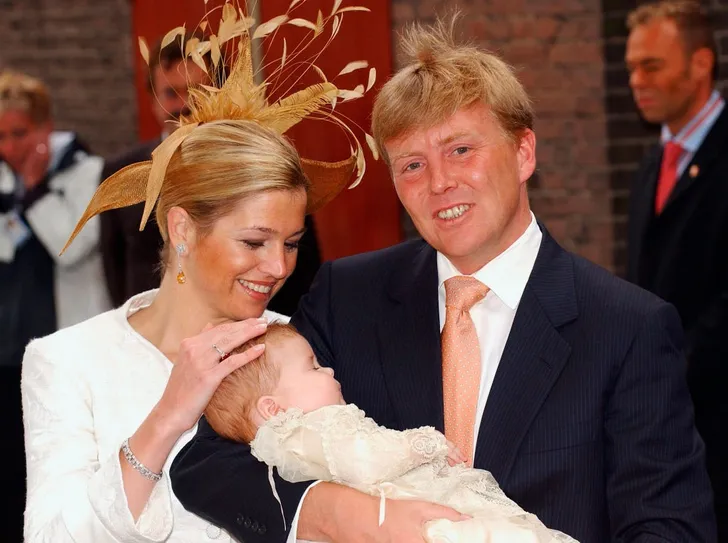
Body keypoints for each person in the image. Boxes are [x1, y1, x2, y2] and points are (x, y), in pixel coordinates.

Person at [170, 15, 718, 543]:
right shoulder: (348, 297)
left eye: (461, 150)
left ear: (523, 152)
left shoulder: (627, 328)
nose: (439, 183)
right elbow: (208, 461)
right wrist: (338, 515)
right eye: (412, 165)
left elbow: (670, 526)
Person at [21, 4, 372, 541]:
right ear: (182, 229)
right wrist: (168, 414)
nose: (278, 267)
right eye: (253, 241)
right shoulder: (69, 362)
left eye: (291, 244)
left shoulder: (302, 346)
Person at [204, 322, 578, 543]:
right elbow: (363, 459)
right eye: (313, 367)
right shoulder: (310, 431)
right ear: (273, 409)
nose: (329, 371)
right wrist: (422, 443)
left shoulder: (296, 440)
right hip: (416, 522)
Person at [101, 32, 324, 315]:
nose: (185, 104)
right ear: (152, 99)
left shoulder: (263, 166)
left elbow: (304, 273)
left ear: (221, 92)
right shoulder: (122, 174)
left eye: (198, 91)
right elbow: (114, 271)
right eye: (171, 93)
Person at [625, 2, 728, 538]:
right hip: (673, 421)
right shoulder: (653, 162)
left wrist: (672, 367)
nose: (636, 81)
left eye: (652, 65)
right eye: (631, 68)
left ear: (700, 63)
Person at [0, 70, 111, 542]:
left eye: (19, 133)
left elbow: (72, 244)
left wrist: (35, 189)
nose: (9, 146)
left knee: (63, 456)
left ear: (46, 127)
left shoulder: (88, 170)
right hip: (8, 346)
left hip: (65, 342)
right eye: (1, 136)